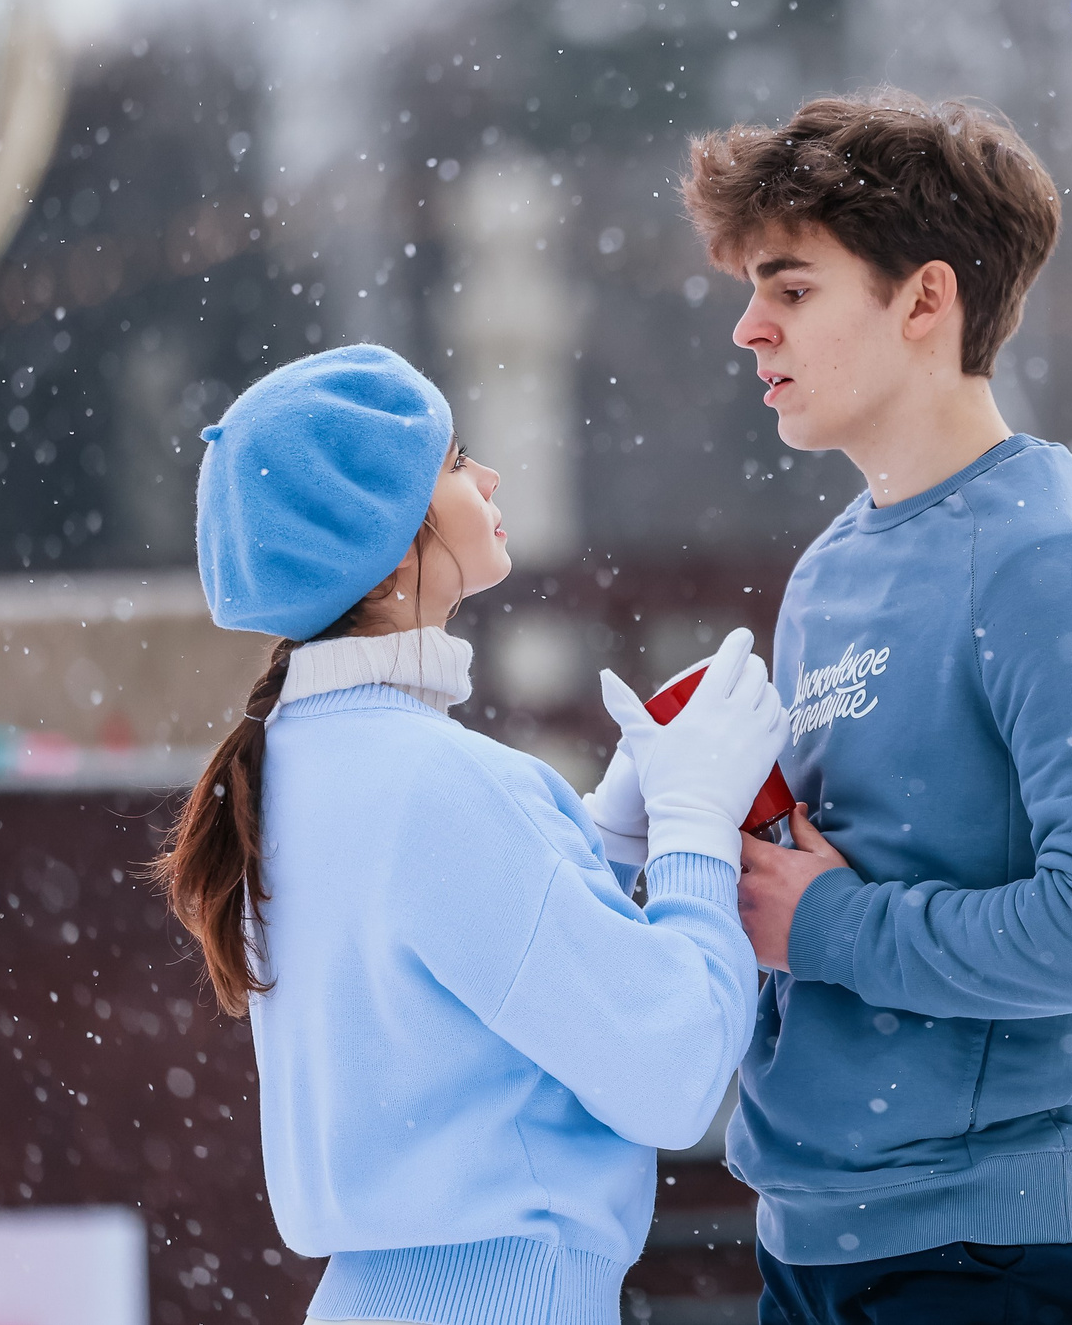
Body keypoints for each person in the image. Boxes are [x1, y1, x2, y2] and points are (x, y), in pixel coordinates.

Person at [693, 91, 1072, 1323]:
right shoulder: (829, 567)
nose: (752, 328)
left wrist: (831, 928)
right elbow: (831, 878)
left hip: (995, 1252)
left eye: (794, 288)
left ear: (925, 300)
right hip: (810, 1232)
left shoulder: (1047, 558)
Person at [152, 343, 788, 1325]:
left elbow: (452, 999)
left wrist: (601, 844)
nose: (487, 477)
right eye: (453, 462)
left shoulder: (287, 768)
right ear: (390, 527)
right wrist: (696, 831)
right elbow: (670, 1069)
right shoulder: (446, 785)